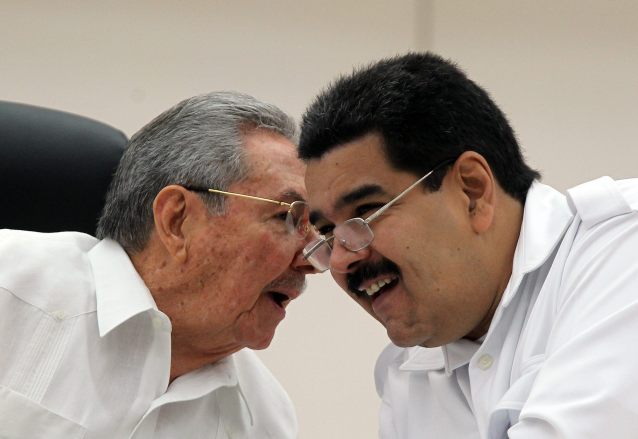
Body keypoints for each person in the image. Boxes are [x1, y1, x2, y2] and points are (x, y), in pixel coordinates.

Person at [298, 52, 638, 438]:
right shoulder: (405, 375)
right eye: (327, 234)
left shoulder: (621, 249)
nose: (343, 260)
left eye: (367, 212)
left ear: (472, 191)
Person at [0, 91, 316, 438]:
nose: (314, 260)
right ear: (177, 220)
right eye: (289, 218)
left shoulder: (264, 418)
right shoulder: (9, 286)